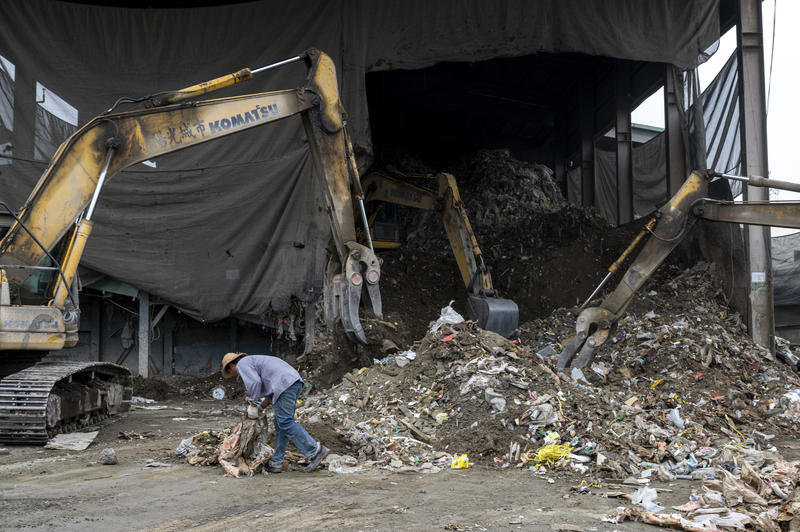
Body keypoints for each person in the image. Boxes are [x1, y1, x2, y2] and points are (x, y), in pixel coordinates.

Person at [221, 352, 329, 473]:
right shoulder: (254, 361)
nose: (233, 374)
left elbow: (254, 383)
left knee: (286, 422)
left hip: (285, 384)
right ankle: (276, 462)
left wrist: (253, 405)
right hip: (292, 382)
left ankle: (315, 451)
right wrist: (261, 407)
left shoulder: (242, 364)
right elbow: (272, 392)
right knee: (281, 424)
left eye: (230, 372)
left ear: (231, 366)